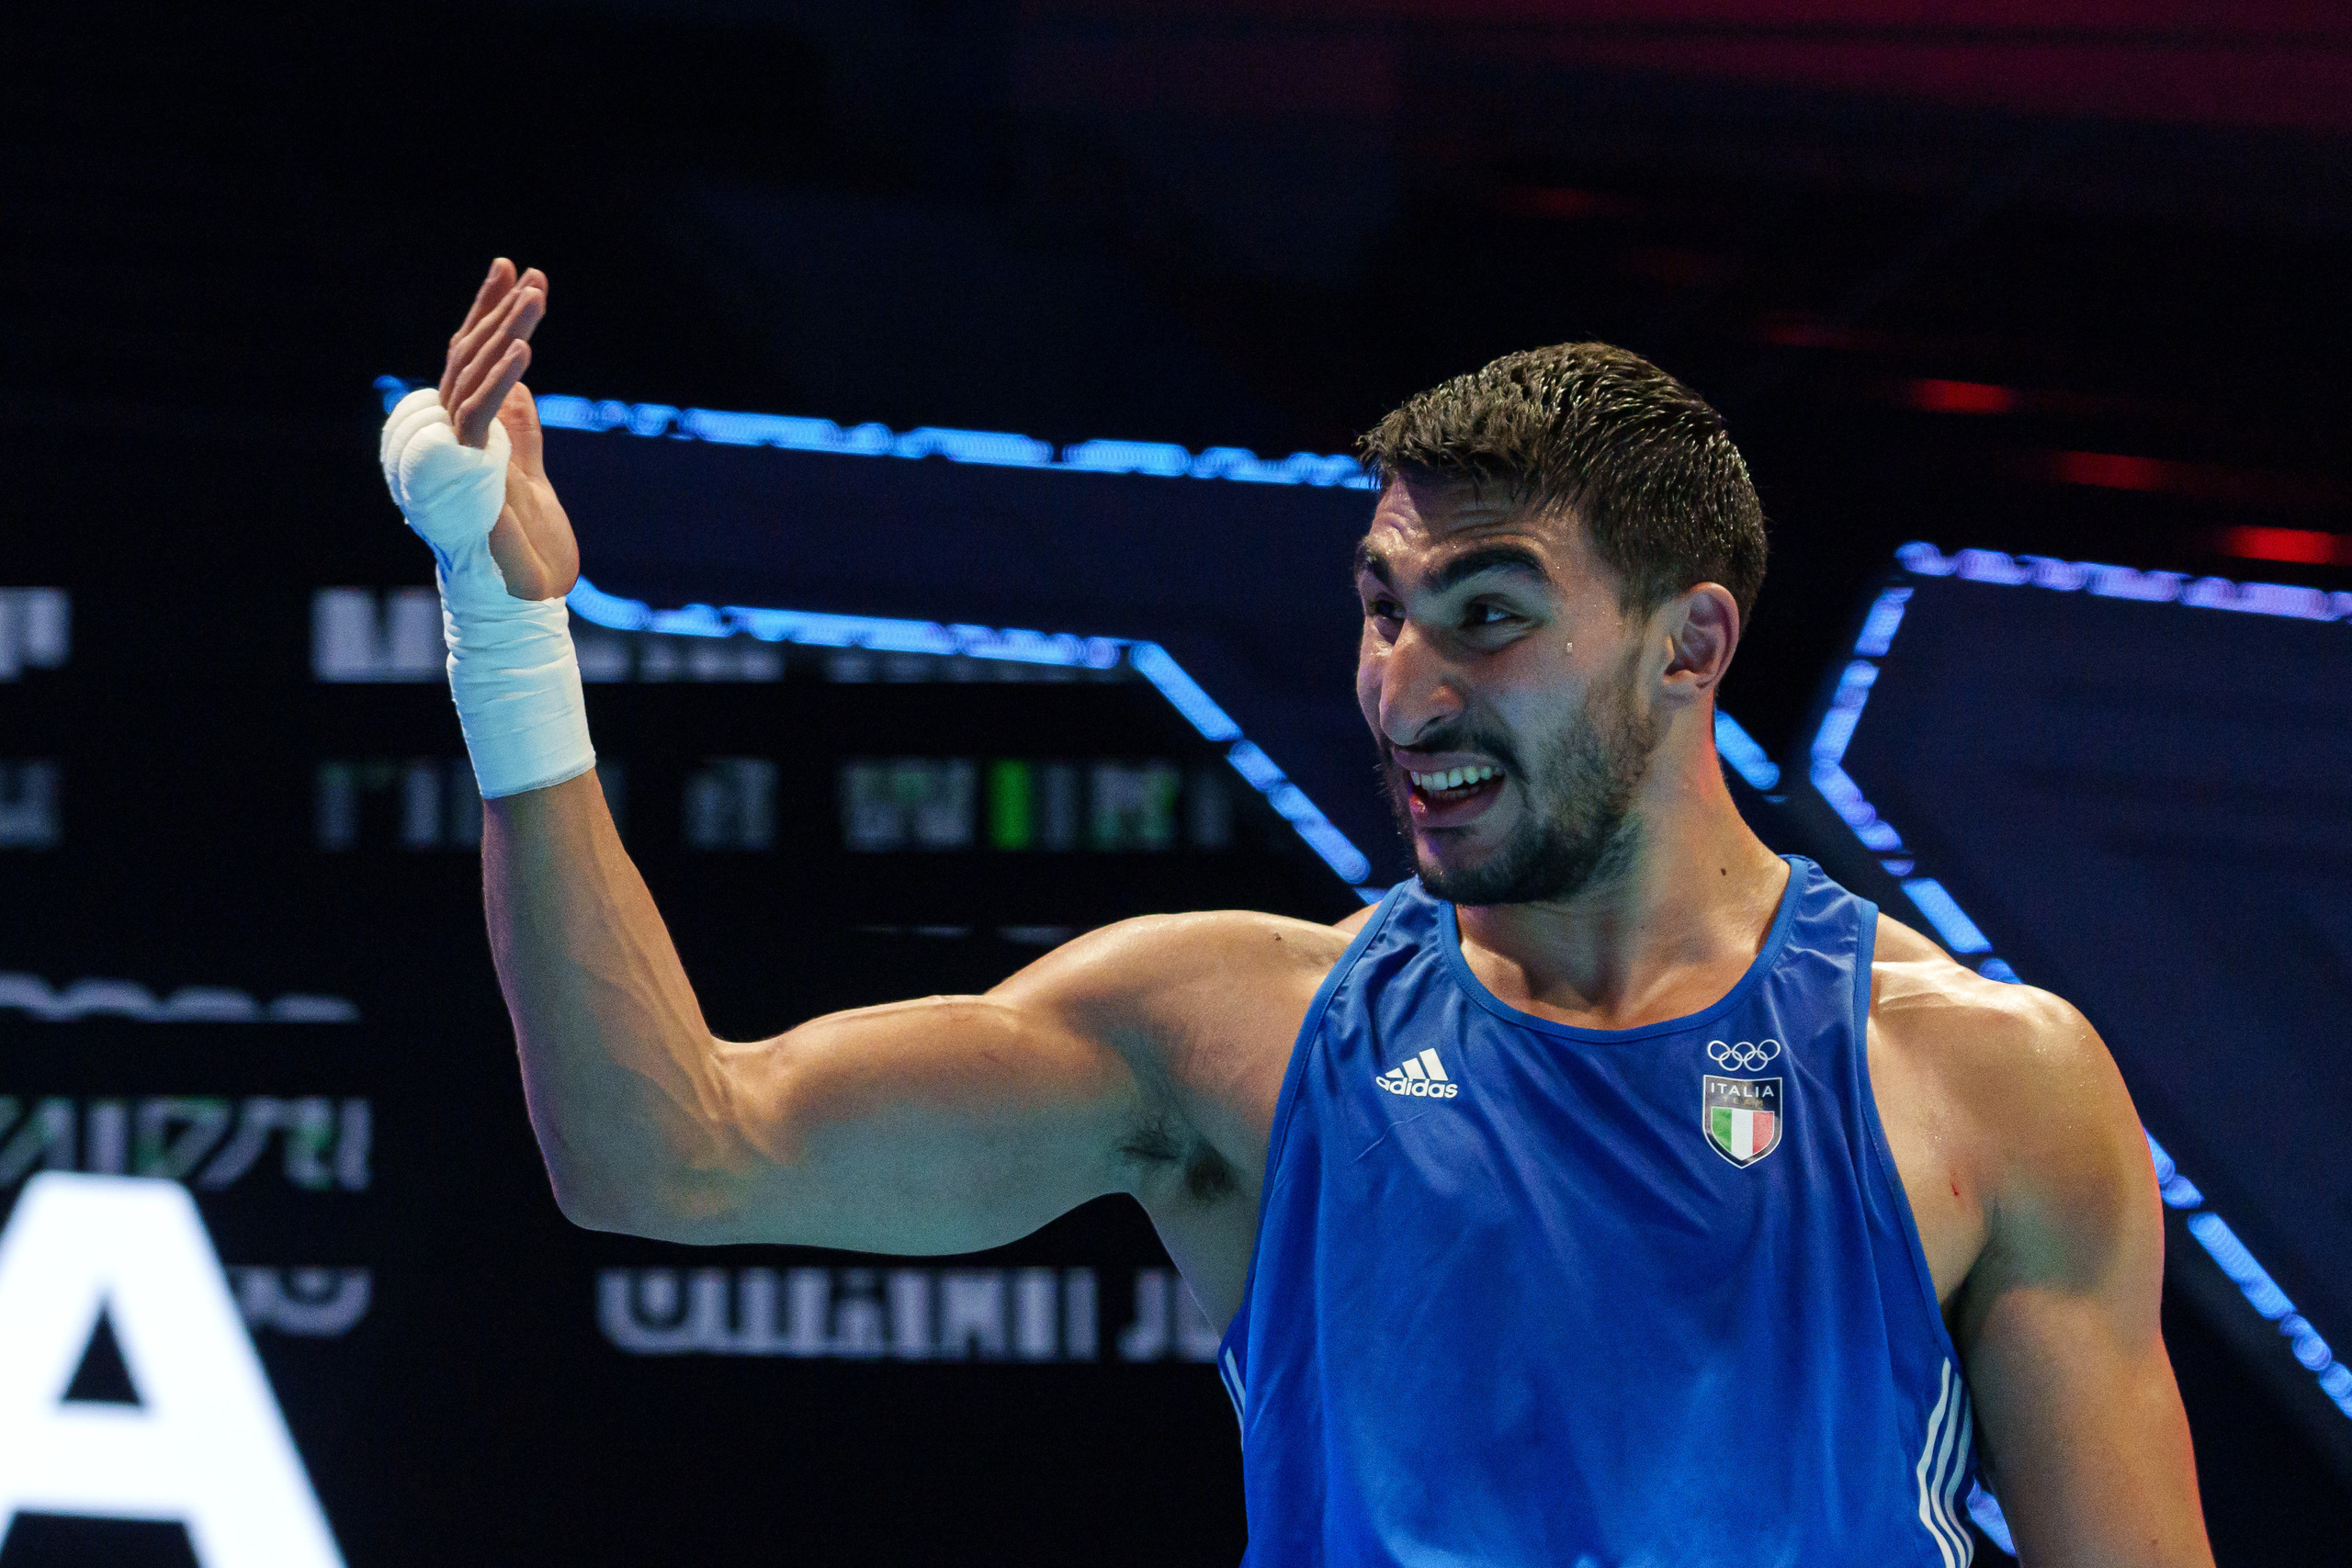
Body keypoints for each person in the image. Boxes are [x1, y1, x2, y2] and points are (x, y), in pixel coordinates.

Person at [381, 258, 2213, 1566]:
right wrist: (506, 627)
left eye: (1486, 615)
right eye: (1382, 609)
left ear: (1689, 646)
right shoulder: (1233, 1037)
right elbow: (672, 1154)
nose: (1404, 686)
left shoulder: (1981, 1084)